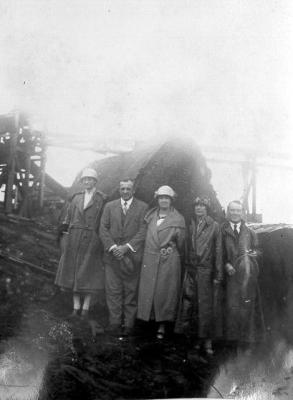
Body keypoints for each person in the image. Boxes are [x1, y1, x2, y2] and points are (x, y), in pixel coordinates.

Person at [55, 167, 107, 318]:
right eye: (84, 179)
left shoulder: (101, 198)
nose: (87, 182)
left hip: (92, 238)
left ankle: (85, 308)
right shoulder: (76, 198)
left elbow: (103, 222)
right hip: (74, 238)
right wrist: (65, 235)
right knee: (73, 272)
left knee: (88, 273)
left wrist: (98, 239)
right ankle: (76, 307)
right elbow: (67, 218)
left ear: (95, 181)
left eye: (90, 179)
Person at [99, 178, 148, 335]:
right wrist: (114, 248)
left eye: (128, 189)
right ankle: (114, 323)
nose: (125, 191)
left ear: (133, 190)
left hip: (132, 257)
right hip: (112, 256)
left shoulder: (143, 207)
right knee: (113, 290)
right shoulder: (109, 206)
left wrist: (126, 247)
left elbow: (143, 231)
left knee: (130, 291)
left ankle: (128, 325)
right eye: (122, 189)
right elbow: (103, 228)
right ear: (119, 190)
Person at [137, 185, 185, 339]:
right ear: (157, 199)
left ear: (172, 200)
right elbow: (143, 235)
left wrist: (171, 248)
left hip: (168, 260)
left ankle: (162, 325)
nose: (164, 200)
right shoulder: (150, 215)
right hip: (150, 257)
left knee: (164, 292)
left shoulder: (178, 219)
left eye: (167, 198)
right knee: (149, 289)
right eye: (161, 197)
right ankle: (149, 320)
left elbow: (182, 243)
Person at [175, 196, 222, 355]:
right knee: (191, 306)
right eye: (197, 206)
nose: (199, 208)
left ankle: (207, 342)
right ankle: (196, 339)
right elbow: (185, 247)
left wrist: (217, 274)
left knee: (206, 307)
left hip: (206, 271)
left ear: (207, 209)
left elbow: (218, 251)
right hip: (191, 270)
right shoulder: (191, 224)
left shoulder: (214, 226)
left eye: (202, 206)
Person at [221, 200, 264, 348]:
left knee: (246, 307)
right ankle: (231, 342)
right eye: (232, 210)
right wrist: (226, 265)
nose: (235, 213)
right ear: (228, 211)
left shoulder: (250, 232)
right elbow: (217, 253)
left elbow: (259, 250)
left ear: (242, 212)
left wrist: (254, 254)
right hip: (230, 277)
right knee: (231, 307)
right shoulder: (222, 231)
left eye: (238, 210)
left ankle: (245, 340)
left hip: (246, 277)